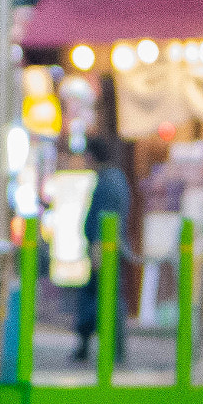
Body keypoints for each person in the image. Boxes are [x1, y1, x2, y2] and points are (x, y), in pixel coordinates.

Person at [73, 138, 131, 364]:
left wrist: (97, 247)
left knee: (104, 299)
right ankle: (100, 347)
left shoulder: (109, 181)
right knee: (102, 298)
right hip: (105, 248)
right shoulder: (112, 179)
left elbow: (106, 218)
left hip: (105, 250)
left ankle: (112, 349)